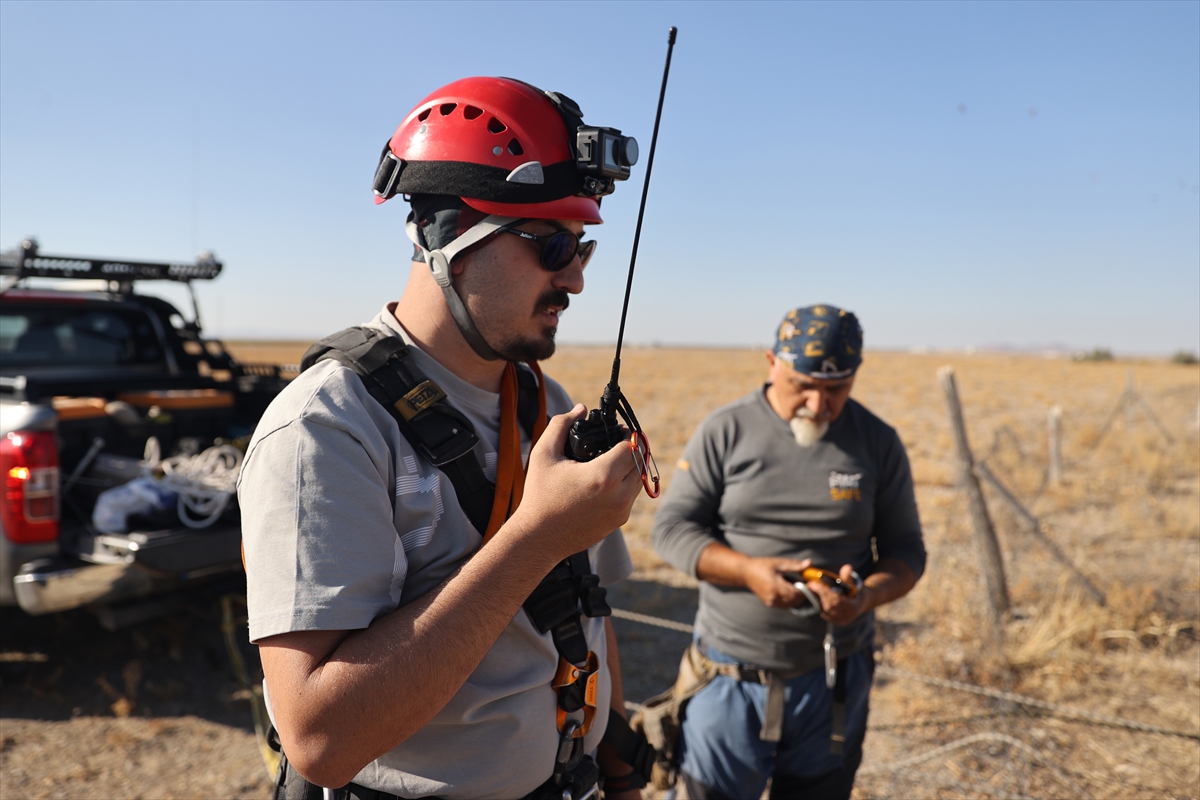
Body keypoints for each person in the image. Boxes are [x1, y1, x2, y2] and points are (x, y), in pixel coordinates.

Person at [238, 77, 654, 800]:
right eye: (552, 245)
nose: (576, 282)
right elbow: (319, 742)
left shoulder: (540, 402)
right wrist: (535, 537)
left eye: (582, 249)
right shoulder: (327, 428)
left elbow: (584, 606)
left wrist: (613, 751)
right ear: (448, 239)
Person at [651, 304, 926, 800]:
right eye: (803, 385)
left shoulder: (877, 442)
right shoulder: (726, 431)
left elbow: (907, 552)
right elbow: (671, 529)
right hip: (730, 675)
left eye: (836, 389)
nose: (818, 406)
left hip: (833, 682)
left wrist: (864, 598)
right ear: (772, 362)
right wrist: (748, 571)